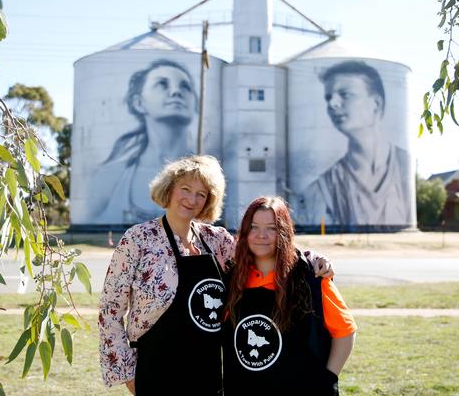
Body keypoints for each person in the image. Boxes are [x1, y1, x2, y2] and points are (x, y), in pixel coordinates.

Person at [98, 156, 333, 395]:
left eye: (202, 194)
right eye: (186, 189)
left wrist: (310, 258)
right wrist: (126, 372)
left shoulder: (216, 240)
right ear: (169, 189)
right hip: (157, 366)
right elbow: (110, 309)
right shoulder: (138, 239)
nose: (192, 199)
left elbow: (262, 247)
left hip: (207, 368)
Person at [222, 196, 356, 396]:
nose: (261, 235)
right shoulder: (231, 279)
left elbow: (345, 332)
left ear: (283, 232)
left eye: (271, 228)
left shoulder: (309, 277)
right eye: (254, 227)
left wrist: (328, 379)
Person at [299, 60, 413, 227]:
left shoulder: (404, 166)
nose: (332, 103)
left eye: (345, 94)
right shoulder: (321, 190)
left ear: (376, 103)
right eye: (328, 97)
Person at [85, 59, 198, 223]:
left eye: (185, 87)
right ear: (139, 102)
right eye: (162, 84)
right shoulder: (108, 177)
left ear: (194, 103)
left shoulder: (208, 178)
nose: (176, 92)